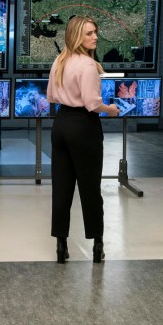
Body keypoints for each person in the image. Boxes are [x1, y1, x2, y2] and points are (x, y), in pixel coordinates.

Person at [46, 16, 119, 264]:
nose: (95, 37)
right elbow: (92, 104)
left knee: (61, 188)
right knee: (90, 189)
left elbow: (51, 96)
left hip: (61, 124)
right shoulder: (88, 65)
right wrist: (110, 109)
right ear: (77, 36)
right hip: (84, 126)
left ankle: (61, 246)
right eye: (89, 33)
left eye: (95, 32)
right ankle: (97, 246)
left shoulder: (59, 61)